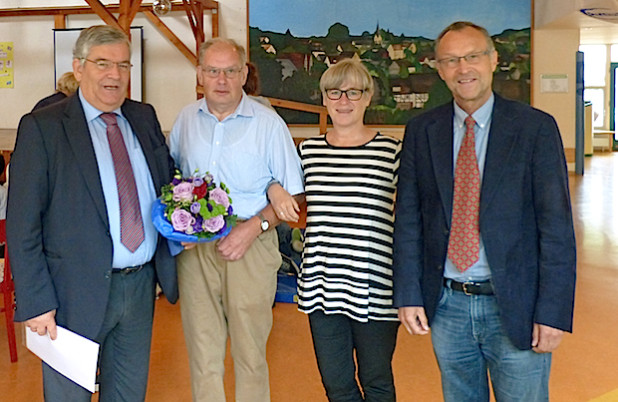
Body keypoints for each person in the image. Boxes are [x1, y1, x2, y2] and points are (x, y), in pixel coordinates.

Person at [392, 21, 576, 401]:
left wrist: (553, 311)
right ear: (440, 69)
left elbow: (556, 226)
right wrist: (408, 293)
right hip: (448, 307)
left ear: (493, 60)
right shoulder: (422, 131)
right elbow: (409, 219)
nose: (464, 68)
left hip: (516, 305)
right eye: (451, 60)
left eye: (473, 56)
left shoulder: (535, 129)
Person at [7, 25, 177, 401]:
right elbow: (22, 225)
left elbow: (167, 185)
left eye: (122, 65)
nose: (114, 74)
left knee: (129, 394)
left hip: (138, 289)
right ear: (78, 67)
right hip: (70, 295)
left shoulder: (143, 118)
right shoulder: (44, 128)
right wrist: (36, 302)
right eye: (102, 63)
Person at [167, 37, 304, 402]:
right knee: (203, 354)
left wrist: (255, 226)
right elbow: (172, 180)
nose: (222, 79)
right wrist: (175, 224)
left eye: (230, 71)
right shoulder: (185, 120)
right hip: (196, 251)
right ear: (200, 75)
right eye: (213, 71)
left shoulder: (268, 124)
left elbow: (294, 195)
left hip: (250, 245)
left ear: (244, 73)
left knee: (250, 356)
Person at [269, 58, 401, 401]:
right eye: (335, 93)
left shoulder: (390, 151)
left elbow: (412, 214)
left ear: (368, 97)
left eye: (353, 92)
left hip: (376, 286)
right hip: (322, 285)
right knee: (337, 384)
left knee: (377, 381)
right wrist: (274, 188)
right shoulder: (309, 152)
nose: (344, 101)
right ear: (324, 99)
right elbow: (286, 191)